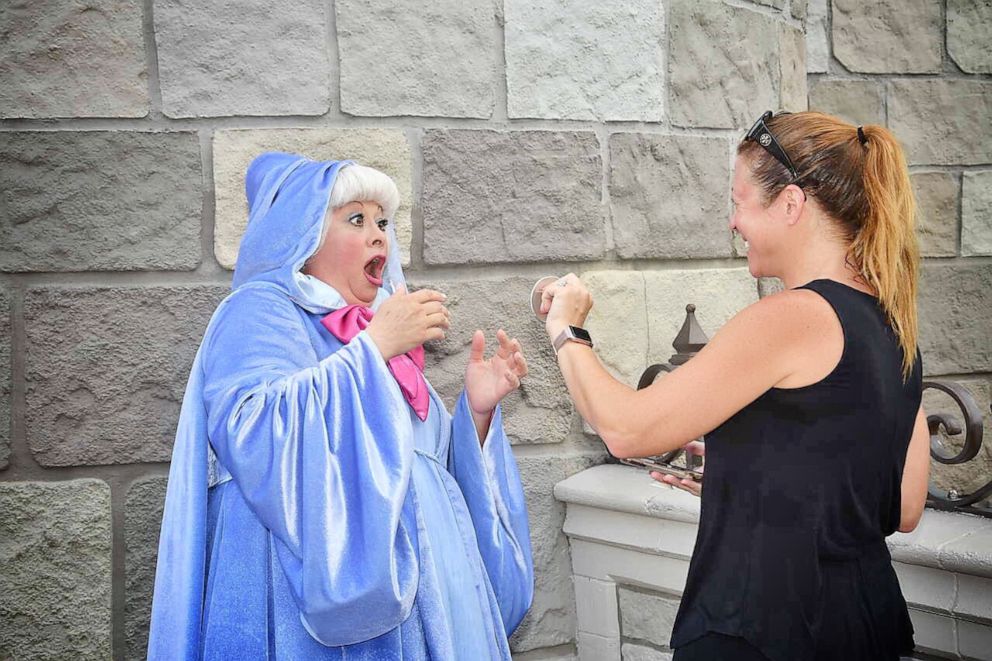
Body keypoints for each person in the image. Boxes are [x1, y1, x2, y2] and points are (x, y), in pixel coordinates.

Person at [540, 111, 929, 661]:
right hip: (868, 623)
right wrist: (755, 477)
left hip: (765, 624)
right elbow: (903, 505)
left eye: (740, 200)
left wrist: (567, 327)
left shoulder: (792, 316)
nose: (732, 221)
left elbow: (626, 430)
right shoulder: (897, 326)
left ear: (790, 204)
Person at [148, 154, 534, 659]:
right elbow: (253, 427)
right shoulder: (261, 309)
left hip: (427, 595)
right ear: (303, 237)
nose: (379, 235)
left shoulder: (378, 333)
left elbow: (423, 464)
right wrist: (373, 350)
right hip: (296, 589)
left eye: (383, 222)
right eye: (356, 219)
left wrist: (476, 413)